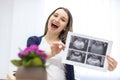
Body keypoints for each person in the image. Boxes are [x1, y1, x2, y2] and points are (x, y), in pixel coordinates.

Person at [27, 7, 117, 80]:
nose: (57, 20)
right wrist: (52, 53)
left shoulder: (68, 46)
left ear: (65, 27)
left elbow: (88, 59)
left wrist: (107, 66)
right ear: (50, 18)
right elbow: (30, 60)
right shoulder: (34, 40)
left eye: (63, 20)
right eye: (55, 15)